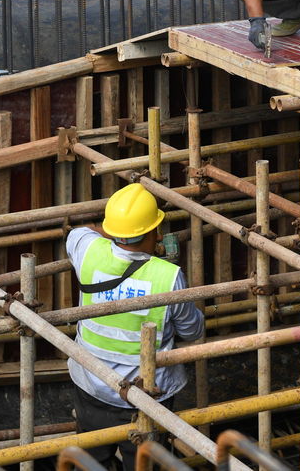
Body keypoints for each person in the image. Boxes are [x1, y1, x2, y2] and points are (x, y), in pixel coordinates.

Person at [66, 183, 204, 471]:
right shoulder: (168, 276)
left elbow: (79, 232)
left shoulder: (88, 250)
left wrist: (115, 234)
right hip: (147, 394)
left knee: (91, 461)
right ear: (153, 232)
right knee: (143, 464)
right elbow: (192, 332)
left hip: (92, 384)